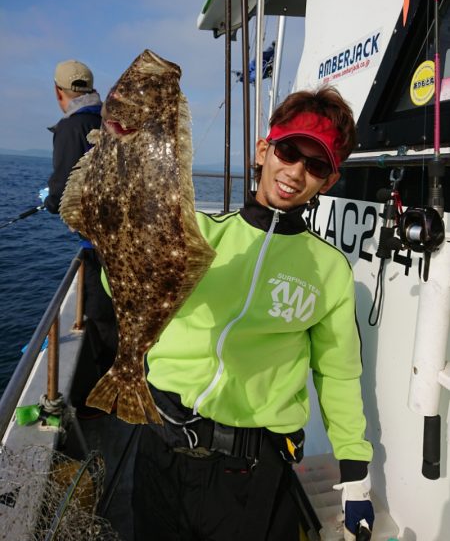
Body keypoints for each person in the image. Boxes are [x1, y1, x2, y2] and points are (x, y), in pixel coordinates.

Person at [132, 86, 374, 541]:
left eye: (316, 164)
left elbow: (338, 374)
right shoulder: (198, 232)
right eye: (288, 151)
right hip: (160, 452)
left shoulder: (329, 270)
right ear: (264, 151)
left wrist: (355, 471)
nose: (296, 172)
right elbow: (123, 283)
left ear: (330, 180)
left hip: (250, 474)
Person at [40, 60, 118, 383]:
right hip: (122, 236)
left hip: (97, 244)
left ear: (59, 93)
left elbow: (61, 191)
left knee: (101, 316)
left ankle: (112, 388)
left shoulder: (70, 129)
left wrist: (49, 201)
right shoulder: (110, 119)